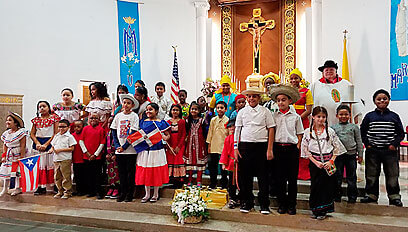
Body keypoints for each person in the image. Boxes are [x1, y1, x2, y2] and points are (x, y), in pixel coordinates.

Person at [235, 77, 275, 215]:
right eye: (249, 96)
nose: (251, 99)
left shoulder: (265, 112)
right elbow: (237, 130)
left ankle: (264, 204)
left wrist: (269, 149)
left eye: (254, 96)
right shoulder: (242, 112)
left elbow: (271, 129)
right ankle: (247, 202)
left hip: (261, 147)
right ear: (246, 98)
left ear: (259, 98)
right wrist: (235, 148)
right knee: (245, 177)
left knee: (263, 177)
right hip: (245, 147)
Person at [360, 89, 404, 207]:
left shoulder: (394, 116)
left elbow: (400, 133)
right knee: (371, 174)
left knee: (392, 174)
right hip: (373, 150)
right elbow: (362, 132)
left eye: (385, 98)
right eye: (379, 99)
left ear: (389, 100)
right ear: (374, 101)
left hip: (389, 151)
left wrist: (393, 144)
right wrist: (368, 144)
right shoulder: (369, 116)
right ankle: (371, 195)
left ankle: (394, 196)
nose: (382, 101)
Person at [301, 106, 346, 220]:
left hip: (327, 163)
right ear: (313, 117)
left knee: (327, 186)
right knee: (316, 186)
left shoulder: (329, 131)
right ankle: (315, 209)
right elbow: (305, 149)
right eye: (318, 117)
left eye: (323, 117)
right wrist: (315, 162)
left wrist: (331, 161)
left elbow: (337, 148)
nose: (321, 119)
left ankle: (325, 209)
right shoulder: (308, 132)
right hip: (315, 163)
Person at [269, 85, 303, 215]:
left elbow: (299, 133)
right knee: (279, 179)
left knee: (292, 179)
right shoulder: (274, 116)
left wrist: (298, 145)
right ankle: (282, 203)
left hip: (291, 150)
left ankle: (292, 205)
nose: (281, 102)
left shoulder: (296, 117)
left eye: (283, 100)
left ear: (289, 101)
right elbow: (271, 133)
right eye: (278, 100)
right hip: (278, 148)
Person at [135, 103, 170, 203]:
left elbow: (168, 135)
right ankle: (147, 194)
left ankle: (155, 194)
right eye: (147, 110)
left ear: (156, 111)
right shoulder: (142, 122)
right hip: (145, 151)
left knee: (156, 172)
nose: (148, 112)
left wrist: (164, 137)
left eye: (151, 109)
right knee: (146, 171)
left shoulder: (161, 123)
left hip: (157, 150)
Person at [310, 60, 362, 126]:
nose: (329, 72)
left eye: (331, 70)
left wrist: (357, 117)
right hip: (322, 121)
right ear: (323, 72)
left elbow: (356, 103)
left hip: (343, 121)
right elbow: (309, 105)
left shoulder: (346, 84)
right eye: (326, 70)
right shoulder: (315, 85)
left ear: (336, 71)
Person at [331, 105, 363, 203]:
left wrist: (360, 155)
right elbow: (331, 142)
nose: (343, 116)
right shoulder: (333, 128)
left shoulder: (354, 127)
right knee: (337, 176)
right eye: (341, 114)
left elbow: (359, 141)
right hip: (338, 156)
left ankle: (352, 196)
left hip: (351, 155)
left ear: (350, 115)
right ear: (337, 116)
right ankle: (336, 196)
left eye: (346, 114)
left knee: (352, 177)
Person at [111, 94, 139, 202]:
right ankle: (122, 192)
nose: (126, 105)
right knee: (121, 173)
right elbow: (114, 131)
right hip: (119, 151)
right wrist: (118, 146)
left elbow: (133, 133)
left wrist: (125, 146)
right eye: (124, 102)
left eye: (128, 103)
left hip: (130, 150)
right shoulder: (118, 116)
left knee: (130, 173)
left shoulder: (134, 116)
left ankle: (130, 194)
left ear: (132, 105)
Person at [288, 68, 314, 180]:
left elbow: (309, 109)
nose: (294, 80)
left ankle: (303, 172)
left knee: (302, 145)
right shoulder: (287, 91)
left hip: (302, 120)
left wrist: (297, 119)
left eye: (296, 78)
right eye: (292, 78)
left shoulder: (306, 91)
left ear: (300, 79)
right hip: (288, 120)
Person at [30, 100, 60, 195]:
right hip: (38, 145)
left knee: (51, 165)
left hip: (50, 143)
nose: (42, 108)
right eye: (40, 107)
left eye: (44, 106)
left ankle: (55, 185)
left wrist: (47, 144)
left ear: (48, 107)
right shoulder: (36, 120)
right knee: (40, 166)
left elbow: (56, 133)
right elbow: (32, 133)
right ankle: (40, 186)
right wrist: (37, 143)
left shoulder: (54, 118)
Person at [79, 113, 106, 199]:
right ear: (88, 119)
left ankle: (99, 191)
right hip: (86, 156)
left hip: (97, 157)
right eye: (91, 118)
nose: (93, 120)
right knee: (88, 174)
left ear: (99, 120)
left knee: (97, 175)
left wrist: (95, 154)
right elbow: (81, 141)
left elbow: (102, 143)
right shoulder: (85, 129)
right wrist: (86, 152)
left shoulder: (101, 129)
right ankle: (91, 191)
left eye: (96, 118)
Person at [0, 112, 26, 196]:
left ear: (15, 123)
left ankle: (18, 188)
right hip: (9, 154)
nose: (7, 122)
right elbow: (5, 145)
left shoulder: (21, 133)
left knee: (17, 172)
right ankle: (5, 188)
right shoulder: (6, 134)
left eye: (10, 120)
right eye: (7, 120)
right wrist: (4, 155)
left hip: (17, 153)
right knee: (7, 170)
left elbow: (23, 145)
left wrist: (21, 157)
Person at [50, 119, 77, 199]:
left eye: (63, 127)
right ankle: (60, 191)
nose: (61, 129)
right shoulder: (57, 136)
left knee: (66, 176)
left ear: (68, 127)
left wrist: (60, 150)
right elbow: (53, 146)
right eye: (60, 127)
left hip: (65, 159)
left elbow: (72, 148)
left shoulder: (69, 137)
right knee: (57, 176)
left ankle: (67, 191)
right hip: (56, 159)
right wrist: (51, 150)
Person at [207, 101, 229, 189]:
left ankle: (224, 183)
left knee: (223, 166)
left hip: (224, 146)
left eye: (222, 108)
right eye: (218, 108)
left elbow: (228, 134)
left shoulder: (227, 120)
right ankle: (213, 182)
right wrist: (209, 145)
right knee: (213, 166)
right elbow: (210, 133)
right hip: (214, 146)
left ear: (225, 109)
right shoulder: (213, 120)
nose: (219, 109)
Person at [184, 102, 207, 187]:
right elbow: (186, 132)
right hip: (189, 143)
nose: (194, 111)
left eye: (196, 109)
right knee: (190, 161)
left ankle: (199, 180)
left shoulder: (202, 120)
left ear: (199, 110)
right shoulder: (187, 120)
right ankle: (190, 180)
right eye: (192, 109)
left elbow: (205, 132)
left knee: (199, 162)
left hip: (200, 144)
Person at [219, 118, 239, 209]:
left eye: (233, 126)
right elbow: (225, 151)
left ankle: (241, 198)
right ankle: (232, 198)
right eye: (230, 127)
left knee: (241, 181)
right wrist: (224, 162)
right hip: (231, 164)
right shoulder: (228, 139)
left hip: (239, 164)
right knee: (232, 182)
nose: (232, 128)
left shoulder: (240, 137)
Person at [166, 104, 186, 188]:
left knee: (178, 160)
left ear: (180, 112)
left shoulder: (182, 121)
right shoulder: (168, 122)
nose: (175, 111)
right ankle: (172, 180)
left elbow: (183, 134)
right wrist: (169, 147)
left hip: (179, 145)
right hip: (171, 145)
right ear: (171, 111)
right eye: (173, 110)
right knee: (171, 161)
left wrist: (179, 146)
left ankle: (179, 180)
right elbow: (167, 135)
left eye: (177, 110)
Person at [71, 120, 86, 196]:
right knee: (77, 176)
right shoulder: (72, 136)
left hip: (83, 159)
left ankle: (84, 190)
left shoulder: (84, 134)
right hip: (75, 159)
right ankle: (78, 190)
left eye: (78, 127)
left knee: (84, 176)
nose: (76, 128)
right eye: (75, 127)